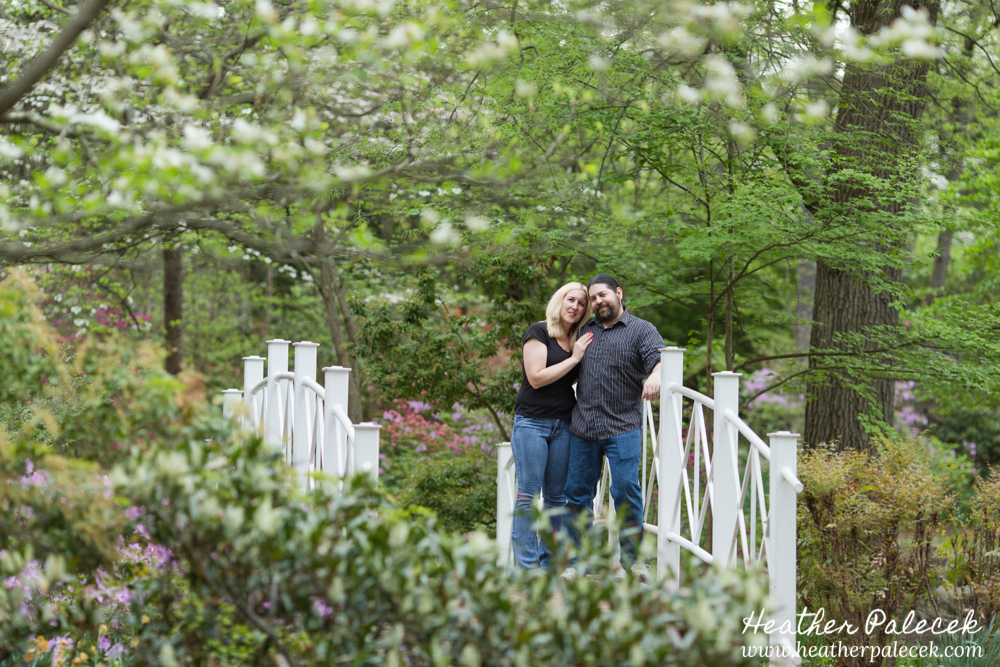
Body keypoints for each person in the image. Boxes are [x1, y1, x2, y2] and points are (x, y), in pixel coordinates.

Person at [563, 274, 665, 573]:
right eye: (593, 299)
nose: (597, 302)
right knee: (577, 494)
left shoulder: (641, 330)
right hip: (584, 428)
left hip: (623, 427)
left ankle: (635, 563)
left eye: (602, 295)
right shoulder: (585, 330)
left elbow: (657, 359)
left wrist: (656, 375)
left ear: (619, 293)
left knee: (625, 491)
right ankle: (575, 563)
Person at [509, 282, 593, 569]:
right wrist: (575, 359)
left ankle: (550, 565)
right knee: (528, 496)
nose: (576, 307)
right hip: (532, 423)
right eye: (571, 300)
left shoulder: (579, 340)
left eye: (582, 303)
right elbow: (536, 377)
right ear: (560, 300)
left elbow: (567, 380)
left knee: (557, 498)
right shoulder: (540, 331)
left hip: (564, 425)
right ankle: (526, 567)